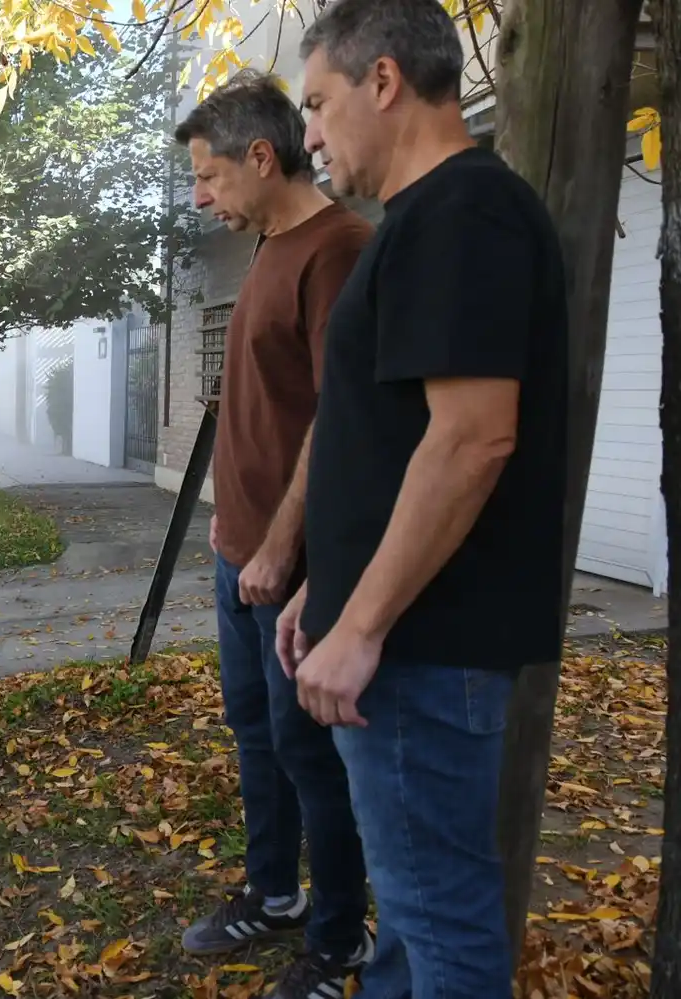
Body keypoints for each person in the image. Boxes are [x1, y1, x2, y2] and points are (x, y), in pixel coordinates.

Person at [279, 1, 570, 996]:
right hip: (398, 642)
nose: (308, 134)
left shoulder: (463, 213)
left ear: (386, 81)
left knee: (440, 919)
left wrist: (358, 627)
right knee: (408, 918)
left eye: (317, 103)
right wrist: (328, 597)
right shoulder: (425, 221)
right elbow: (395, 441)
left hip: (422, 651)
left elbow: (474, 437)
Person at [173, 69, 377, 998]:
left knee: (311, 753)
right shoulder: (268, 246)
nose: (202, 197)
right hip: (238, 553)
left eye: (210, 178)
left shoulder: (337, 248)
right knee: (256, 733)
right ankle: (274, 893)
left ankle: (339, 942)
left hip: (293, 567)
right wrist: (234, 533)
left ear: (263, 156)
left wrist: (281, 550)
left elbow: (343, 416)